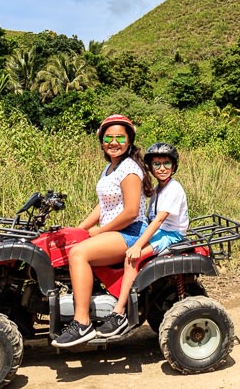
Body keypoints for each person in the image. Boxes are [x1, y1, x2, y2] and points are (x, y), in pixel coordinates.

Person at [52, 114, 153, 348]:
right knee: (70, 246)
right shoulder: (110, 168)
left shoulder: (129, 169)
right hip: (114, 231)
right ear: (101, 140)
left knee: (79, 254)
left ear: (129, 141)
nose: (114, 142)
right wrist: (80, 228)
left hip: (131, 232)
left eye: (120, 137)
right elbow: (103, 205)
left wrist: (101, 231)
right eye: (109, 137)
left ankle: (82, 323)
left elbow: (129, 212)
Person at [95, 142, 189, 338]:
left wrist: (137, 245)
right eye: (157, 164)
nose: (162, 168)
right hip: (158, 230)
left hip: (170, 234)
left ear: (174, 166)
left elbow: (159, 220)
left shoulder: (174, 188)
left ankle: (119, 312)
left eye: (166, 164)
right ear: (151, 168)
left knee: (132, 259)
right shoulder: (157, 189)